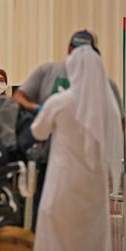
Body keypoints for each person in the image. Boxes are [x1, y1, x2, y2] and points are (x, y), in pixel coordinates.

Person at [12, 30, 125, 231]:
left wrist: (43, 113)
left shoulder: (59, 102)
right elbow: (119, 127)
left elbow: (38, 132)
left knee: (55, 222)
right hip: (85, 167)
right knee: (89, 225)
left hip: (62, 168)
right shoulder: (51, 73)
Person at [31, 45, 122, 251]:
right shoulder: (108, 106)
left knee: (57, 234)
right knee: (90, 235)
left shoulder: (59, 101)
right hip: (94, 183)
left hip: (62, 181)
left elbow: (38, 132)